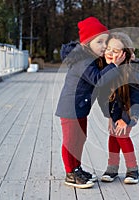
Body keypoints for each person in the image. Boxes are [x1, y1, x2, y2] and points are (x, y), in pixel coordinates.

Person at [55, 17, 126, 189]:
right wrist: (114, 67)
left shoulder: (92, 59)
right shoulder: (82, 61)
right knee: (71, 141)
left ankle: (77, 168)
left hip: (80, 109)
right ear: (86, 43)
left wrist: (109, 114)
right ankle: (70, 173)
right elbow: (98, 80)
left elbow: (101, 91)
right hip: (70, 109)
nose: (103, 45)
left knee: (80, 139)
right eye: (99, 41)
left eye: (105, 41)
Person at [98, 32, 139, 184]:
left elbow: (136, 100)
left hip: (129, 112)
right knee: (113, 136)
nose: (111, 53)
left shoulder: (132, 73)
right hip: (114, 111)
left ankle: (133, 169)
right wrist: (110, 117)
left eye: (116, 51)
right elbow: (103, 97)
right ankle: (112, 168)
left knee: (122, 136)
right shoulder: (106, 69)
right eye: (109, 49)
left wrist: (126, 119)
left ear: (125, 54)